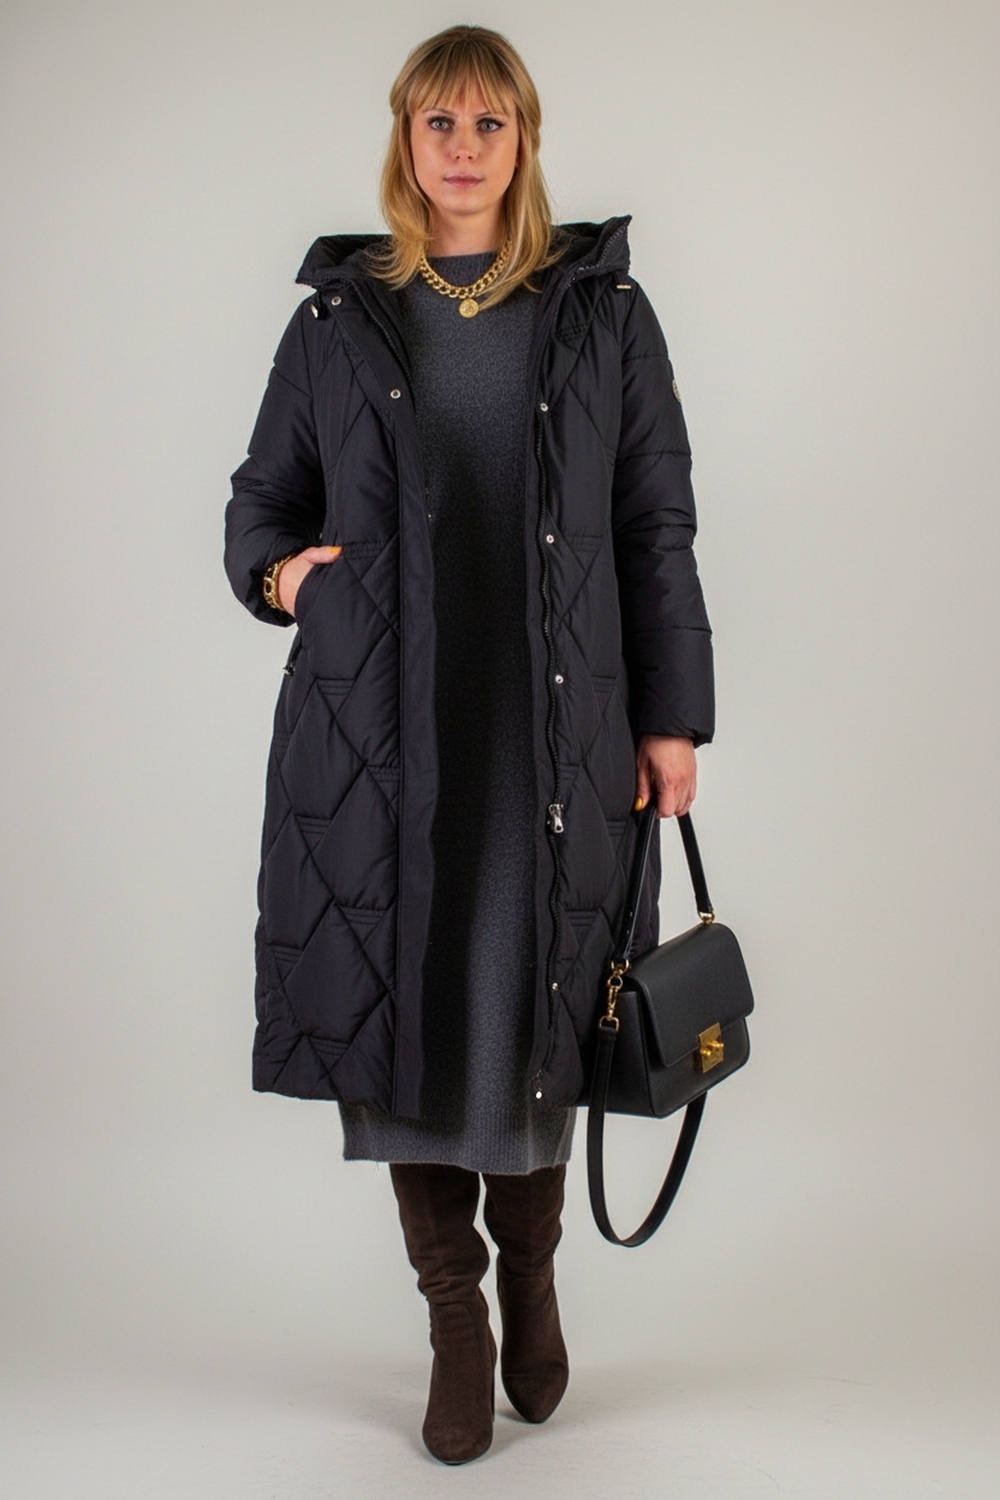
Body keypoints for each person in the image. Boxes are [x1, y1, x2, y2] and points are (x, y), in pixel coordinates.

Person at [225, 24, 714, 1465]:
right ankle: (456, 1316)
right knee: (412, 1020)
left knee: (536, 1004)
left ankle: (533, 1274)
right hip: (382, 735)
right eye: (437, 121)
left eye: (487, 122)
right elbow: (258, 509)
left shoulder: (604, 314)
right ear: (405, 138)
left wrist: (672, 715)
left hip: (556, 728)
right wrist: (290, 580)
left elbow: (655, 525)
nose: (461, 147)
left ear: (523, 140)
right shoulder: (339, 320)